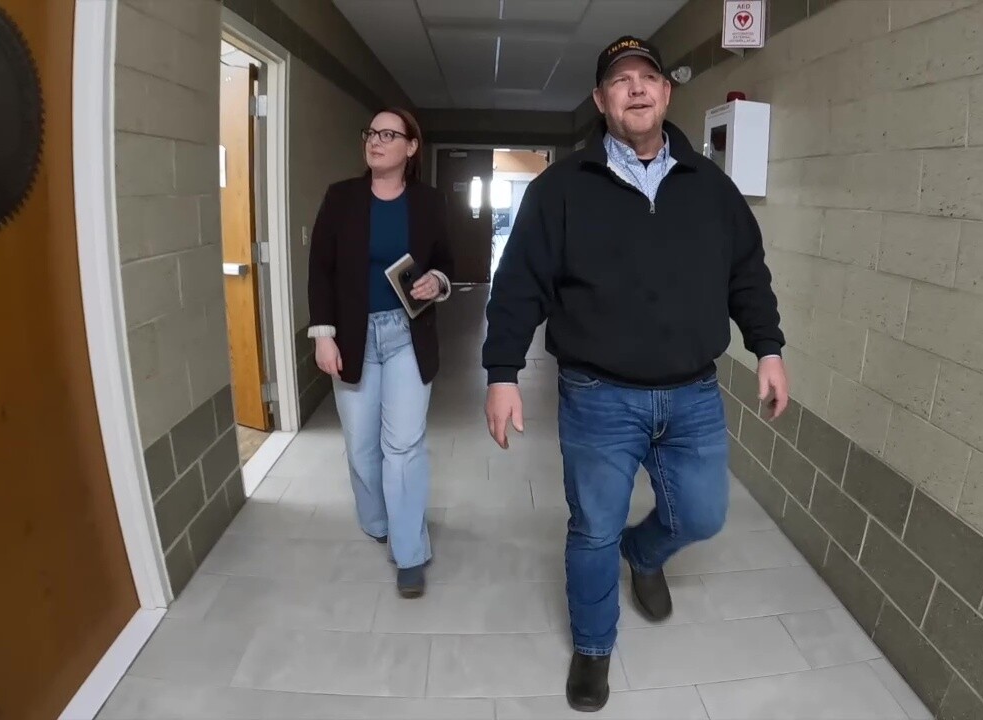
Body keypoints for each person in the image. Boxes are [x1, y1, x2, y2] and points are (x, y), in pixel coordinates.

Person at [481, 36, 790, 712]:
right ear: (601, 100)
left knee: (704, 515)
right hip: (599, 396)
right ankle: (593, 648)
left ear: (667, 92)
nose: (637, 88)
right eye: (620, 80)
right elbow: (517, 286)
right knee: (592, 526)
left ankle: (644, 555)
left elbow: (747, 274)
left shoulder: (710, 187)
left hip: (694, 394)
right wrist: (501, 371)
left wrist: (767, 347)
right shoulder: (559, 190)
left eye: (648, 76)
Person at [307, 108, 453, 599]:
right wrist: (322, 333)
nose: (376, 141)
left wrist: (439, 281)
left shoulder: (428, 203)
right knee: (361, 447)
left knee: (404, 446)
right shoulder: (341, 198)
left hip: (408, 334)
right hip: (352, 337)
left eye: (389, 134)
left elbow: (446, 263)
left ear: (411, 147)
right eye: (371, 132)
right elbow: (320, 269)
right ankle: (378, 521)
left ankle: (410, 552)